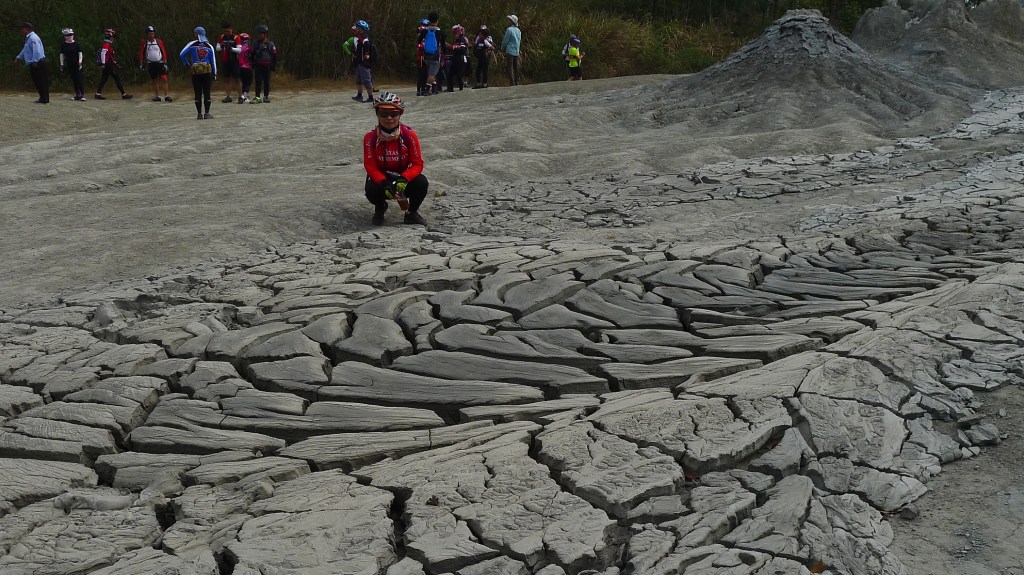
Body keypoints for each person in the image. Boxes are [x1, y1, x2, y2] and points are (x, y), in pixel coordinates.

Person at [363, 92, 429, 226]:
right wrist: (383, 183)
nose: (389, 118)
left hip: (403, 178)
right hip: (383, 179)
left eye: (393, 114)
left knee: (421, 182)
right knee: (371, 189)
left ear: (400, 114)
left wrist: (405, 178)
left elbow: (417, 163)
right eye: (383, 113)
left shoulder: (409, 135)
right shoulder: (370, 138)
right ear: (377, 114)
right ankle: (380, 207)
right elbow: (370, 166)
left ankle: (411, 213)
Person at [179, 26, 217, 120]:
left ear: (197, 34)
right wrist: (214, 73)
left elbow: (182, 54)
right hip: (207, 71)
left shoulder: (192, 44)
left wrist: (187, 64)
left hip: (196, 71)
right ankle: (207, 113)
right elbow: (213, 61)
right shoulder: (209, 46)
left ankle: (199, 114)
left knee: (197, 92)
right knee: (207, 92)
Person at [14, 22, 48, 104]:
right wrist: (18, 57)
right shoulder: (28, 38)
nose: (21, 31)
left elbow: (36, 50)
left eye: (22, 29)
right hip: (34, 62)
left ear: (27, 29)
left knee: (40, 80)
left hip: (37, 62)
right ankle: (42, 97)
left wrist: (34, 60)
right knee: (37, 81)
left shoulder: (33, 38)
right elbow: (25, 50)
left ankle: (44, 99)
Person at [95, 28, 132, 100]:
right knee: (116, 78)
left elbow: (110, 56)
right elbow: (103, 53)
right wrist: (103, 63)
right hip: (108, 64)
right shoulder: (106, 44)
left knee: (104, 78)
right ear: (110, 37)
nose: (113, 39)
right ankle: (123, 94)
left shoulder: (107, 44)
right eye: (113, 37)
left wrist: (115, 63)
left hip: (107, 64)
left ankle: (98, 93)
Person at [139, 25, 171, 102]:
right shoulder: (144, 43)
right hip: (151, 64)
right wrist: (141, 64)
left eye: (152, 33)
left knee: (164, 79)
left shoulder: (159, 41)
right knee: (154, 80)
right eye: (150, 34)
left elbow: (163, 51)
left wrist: (165, 63)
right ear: (147, 34)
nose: (151, 35)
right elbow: (141, 53)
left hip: (160, 63)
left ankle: (166, 95)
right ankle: (157, 96)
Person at [418, 12, 445, 96]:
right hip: (435, 55)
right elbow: (443, 44)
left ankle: (434, 88)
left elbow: (419, 41)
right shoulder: (440, 32)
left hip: (426, 55)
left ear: (429, 20)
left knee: (431, 71)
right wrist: (445, 54)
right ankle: (427, 90)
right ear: (437, 20)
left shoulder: (425, 31)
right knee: (432, 74)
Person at [216, 23, 242, 103]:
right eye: (225, 31)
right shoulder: (221, 37)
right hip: (225, 60)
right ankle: (228, 96)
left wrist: (231, 48)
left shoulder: (236, 37)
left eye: (228, 31)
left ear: (231, 30)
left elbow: (239, 50)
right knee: (227, 79)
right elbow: (217, 48)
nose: (226, 33)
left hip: (234, 61)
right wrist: (222, 46)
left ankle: (240, 96)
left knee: (237, 79)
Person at [250, 24, 277, 103]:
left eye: (260, 34)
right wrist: (252, 63)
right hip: (258, 65)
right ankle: (257, 97)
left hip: (267, 65)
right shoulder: (255, 43)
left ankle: (266, 97)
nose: (259, 35)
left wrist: (273, 65)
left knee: (266, 81)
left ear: (265, 34)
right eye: (258, 33)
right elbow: (252, 54)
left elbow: (274, 55)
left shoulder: (270, 43)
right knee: (258, 82)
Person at [351, 20, 375, 103]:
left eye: (357, 27)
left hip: (364, 63)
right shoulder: (359, 37)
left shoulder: (364, 37)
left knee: (366, 80)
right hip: (359, 62)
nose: (355, 28)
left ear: (361, 29)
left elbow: (366, 44)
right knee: (358, 80)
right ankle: (359, 95)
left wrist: (366, 54)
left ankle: (370, 97)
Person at [58, 28, 85, 101]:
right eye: (68, 35)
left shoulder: (76, 44)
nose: (70, 36)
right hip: (69, 64)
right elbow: (62, 54)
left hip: (77, 64)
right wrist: (62, 63)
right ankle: (77, 94)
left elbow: (80, 53)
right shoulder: (64, 45)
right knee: (74, 79)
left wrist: (80, 61)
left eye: (71, 35)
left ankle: (82, 94)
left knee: (79, 79)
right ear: (65, 36)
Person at [501, 15, 522, 86]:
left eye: (509, 20)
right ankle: (516, 81)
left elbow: (505, 40)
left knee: (510, 67)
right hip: (516, 51)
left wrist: (502, 47)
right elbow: (519, 41)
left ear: (512, 21)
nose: (508, 21)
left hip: (510, 51)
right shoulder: (518, 31)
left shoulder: (509, 30)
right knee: (516, 67)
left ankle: (512, 83)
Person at [447, 24, 469, 92]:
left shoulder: (462, 39)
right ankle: (450, 88)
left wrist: (452, 47)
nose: (453, 35)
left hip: (461, 59)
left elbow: (462, 49)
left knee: (459, 75)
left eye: (454, 33)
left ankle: (461, 88)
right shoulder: (457, 40)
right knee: (450, 74)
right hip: (455, 58)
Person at [472, 25, 494, 89]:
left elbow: (492, 47)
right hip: (480, 56)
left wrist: (486, 50)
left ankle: (484, 83)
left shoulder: (487, 39)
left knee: (484, 70)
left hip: (485, 56)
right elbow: (476, 45)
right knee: (478, 70)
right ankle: (479, 83)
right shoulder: (478, 38)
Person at [235, 33, 252, 103]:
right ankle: (243, 96)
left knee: (241, 82)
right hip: (247, 67)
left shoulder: (238, 48)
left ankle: (242, 96)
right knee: (248, 82)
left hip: (239, 67)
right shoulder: (249, 48)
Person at [415, 18, 429, 96]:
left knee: (425, 74)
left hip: (426, 56)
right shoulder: (421, 31)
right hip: (420, 57)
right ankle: (419, 90)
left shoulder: (427, 32)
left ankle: (423, 89)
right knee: (421, 74)